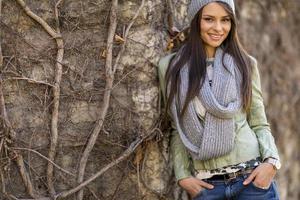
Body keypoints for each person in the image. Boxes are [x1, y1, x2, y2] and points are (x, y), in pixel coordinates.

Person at [157, 0, 281, 199]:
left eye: (225, 20)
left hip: (252, 182)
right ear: (195, 21)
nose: (218, 28)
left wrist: (271, 162)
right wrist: (183, 176)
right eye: (209, 19)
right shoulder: (172, 68)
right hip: (207, 188)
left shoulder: (245, 64)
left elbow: (259, 122)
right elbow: (177, 128)